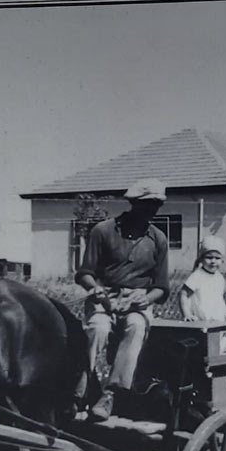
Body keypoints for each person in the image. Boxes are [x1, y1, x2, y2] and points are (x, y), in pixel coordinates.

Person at [76, 178, 170, 421]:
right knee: (97, 328)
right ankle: (81, 388)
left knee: (136, 325)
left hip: (137, 303)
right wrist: (96, 289)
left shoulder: (158, 239)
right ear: (133, 204)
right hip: (104, 297)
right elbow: (85, 272)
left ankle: (111, 394)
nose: (152, 211)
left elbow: (161, 287)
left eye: (156, 206)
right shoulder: (103, 231)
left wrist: (145, 299)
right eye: (147, 205)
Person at [179, 236, 226, 322]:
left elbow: (219, 298)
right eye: (209, 257)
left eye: (217, 258)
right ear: (201, 259)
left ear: (222, 260)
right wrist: (187, 314)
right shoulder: (197, 276)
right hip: (199, 322)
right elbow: (183, 294)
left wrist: (225, 313)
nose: (213, 261)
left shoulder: (220, 278)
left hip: (217, 321)